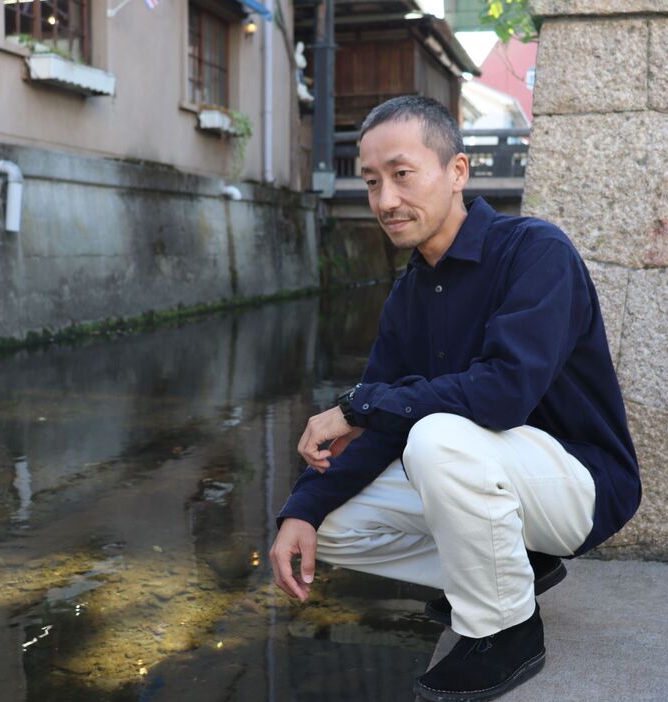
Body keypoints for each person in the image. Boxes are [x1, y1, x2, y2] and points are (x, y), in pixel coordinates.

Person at [269, 96, 641, 701]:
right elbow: (383, 427)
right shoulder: (409, 293)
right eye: (371, 182)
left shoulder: (536, 251)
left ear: (458, 172)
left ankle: (506, 632)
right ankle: (513, 565)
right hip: (492, 477)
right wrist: (300, 509)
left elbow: (502, 395)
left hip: (580, 481)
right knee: (328, 526)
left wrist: (358, 405)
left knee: (436, 437)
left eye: (401, 174)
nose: (385, 200)